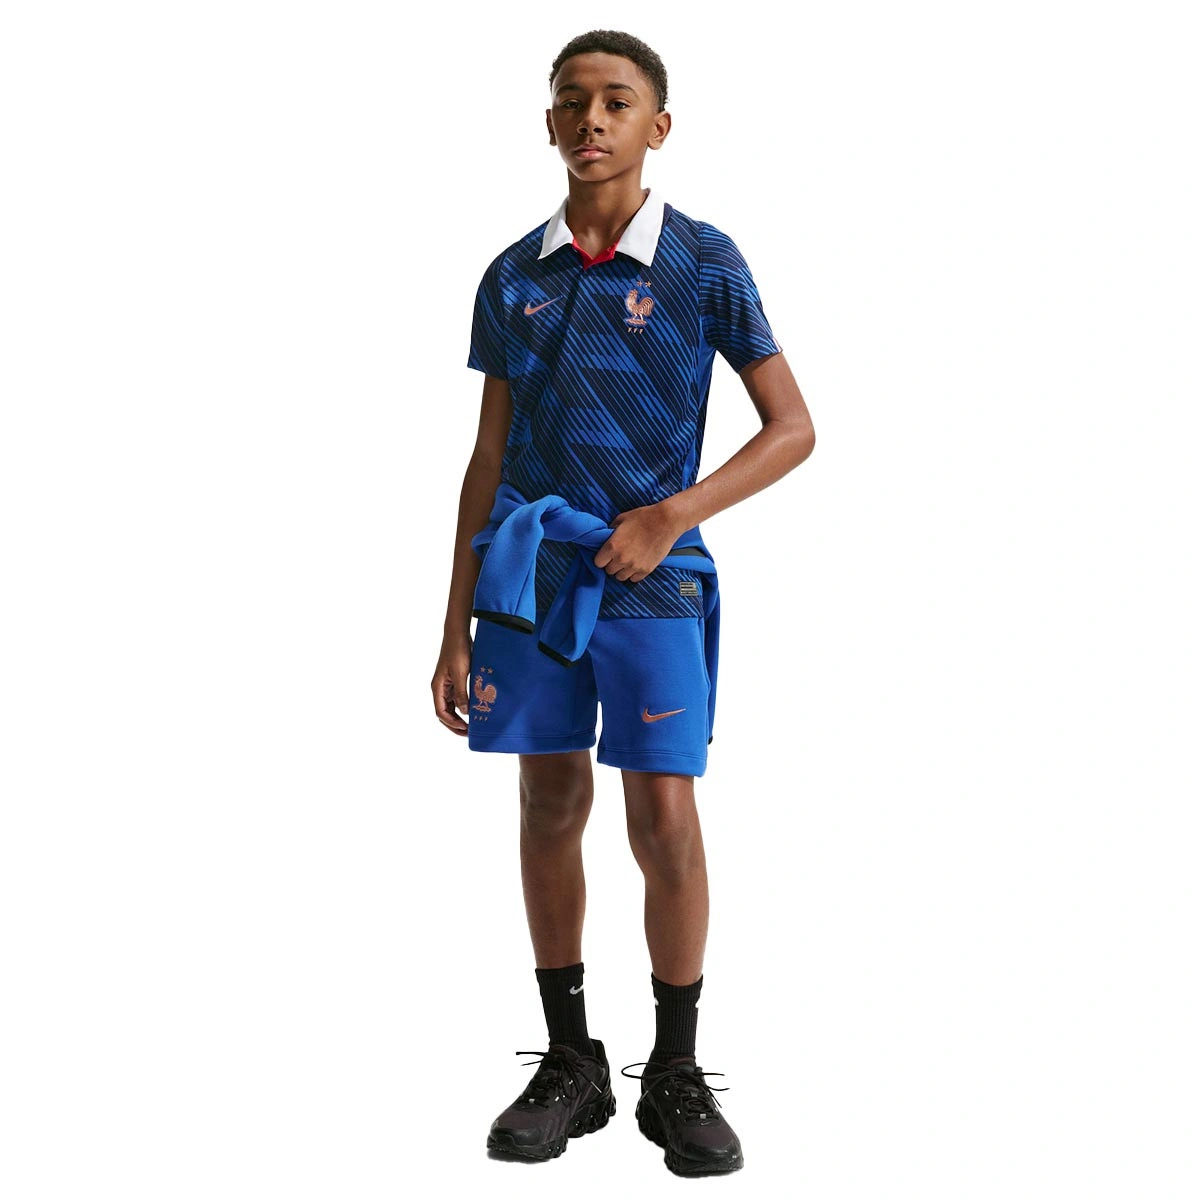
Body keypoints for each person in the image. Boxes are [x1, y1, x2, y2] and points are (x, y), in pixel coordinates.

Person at [431, 28, 815, 1178]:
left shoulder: (703, 262)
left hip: (655, 583)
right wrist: (451, 627)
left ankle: (677, 1068)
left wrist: (669, 516)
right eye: (571, 101)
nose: (591, 118)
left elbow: (794, 428)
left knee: (664, 816)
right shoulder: (514, 275)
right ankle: (570, 1060)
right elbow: (488, 457)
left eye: (616, 100)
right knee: (549, 803)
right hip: (533, 583)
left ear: (659, 125)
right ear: (548, 123)